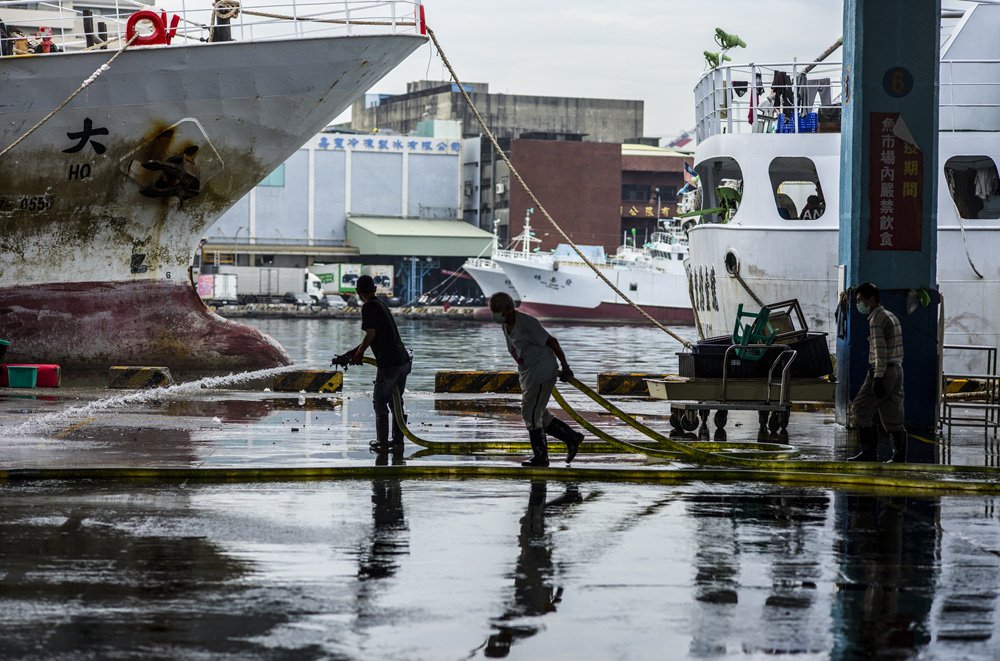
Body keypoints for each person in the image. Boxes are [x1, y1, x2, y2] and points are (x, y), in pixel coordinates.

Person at [489, 292, 584, 467]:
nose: (495, 314)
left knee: (530, 413)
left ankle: (541, 457)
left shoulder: (527, 323)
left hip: (543, 371)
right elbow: (513, 348)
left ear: (510, 309)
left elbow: (552, 342)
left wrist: (566, 366)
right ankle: (572, 437)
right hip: (528, 373)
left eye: (498, 311)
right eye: (493, 310)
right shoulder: (505, 325)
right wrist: (520, 362)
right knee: (538, 414)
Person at [339, 275, 412, 451]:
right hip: (402, 360)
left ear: (357, 292)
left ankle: (383, 442)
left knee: (380, 401)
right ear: (375, 289)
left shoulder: (369, 306)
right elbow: (375, 335)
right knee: (395, 402)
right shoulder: (381, 305)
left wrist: (359, 353)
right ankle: (397, 442)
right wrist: (353, 353)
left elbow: (371, 334)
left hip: (390, 364)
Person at [848, 282, 906, 463]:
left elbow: (880, 352)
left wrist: (878, 377)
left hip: (883, 371)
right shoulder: (891, 316)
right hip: (897, 370)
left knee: (860, 409)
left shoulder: (876, 319)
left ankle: (869, 453)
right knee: (893, 414)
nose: (858, 305)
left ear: (871, 299)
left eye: (860, 300)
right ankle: (899, 456)